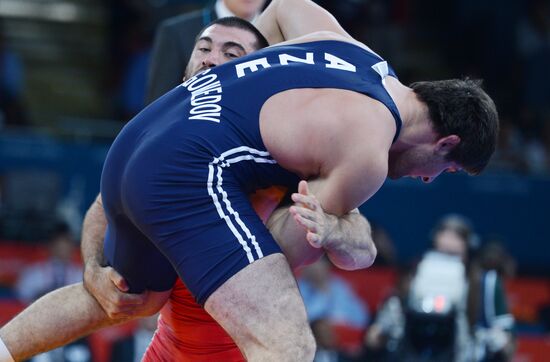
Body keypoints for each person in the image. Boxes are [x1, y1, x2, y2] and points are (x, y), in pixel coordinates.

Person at [1, 0, 499, 359]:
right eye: (445, 170)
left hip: (138, 139)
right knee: (287, 343)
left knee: (126, 296)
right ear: (446, 143)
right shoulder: (368, 151)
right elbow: (281, 245)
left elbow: (283, 6)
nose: (431, 180)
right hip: (188, 174)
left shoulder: (350, 48)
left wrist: (251, 72)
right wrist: (332, 231)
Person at [147, 0, 266, 102]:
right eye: (204, 49)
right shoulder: (177, 32)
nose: (211, 59)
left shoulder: (279, 39)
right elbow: (158, 104)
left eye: (231, 54)